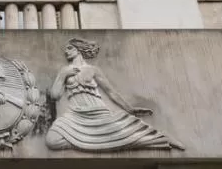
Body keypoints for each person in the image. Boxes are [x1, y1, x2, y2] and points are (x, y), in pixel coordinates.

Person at [45, 38, 183, 152]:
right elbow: (55, 95)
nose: (65, 51)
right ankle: (93, 143)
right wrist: (63, 75)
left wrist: (130, 109)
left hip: (97, 112)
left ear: (79, 49)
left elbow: (111, 92)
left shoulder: (93, 70)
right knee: (52, 141)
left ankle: (163, 139)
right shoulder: (65, 70)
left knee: (129, 131)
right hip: (74, 114)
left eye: (69, 48)